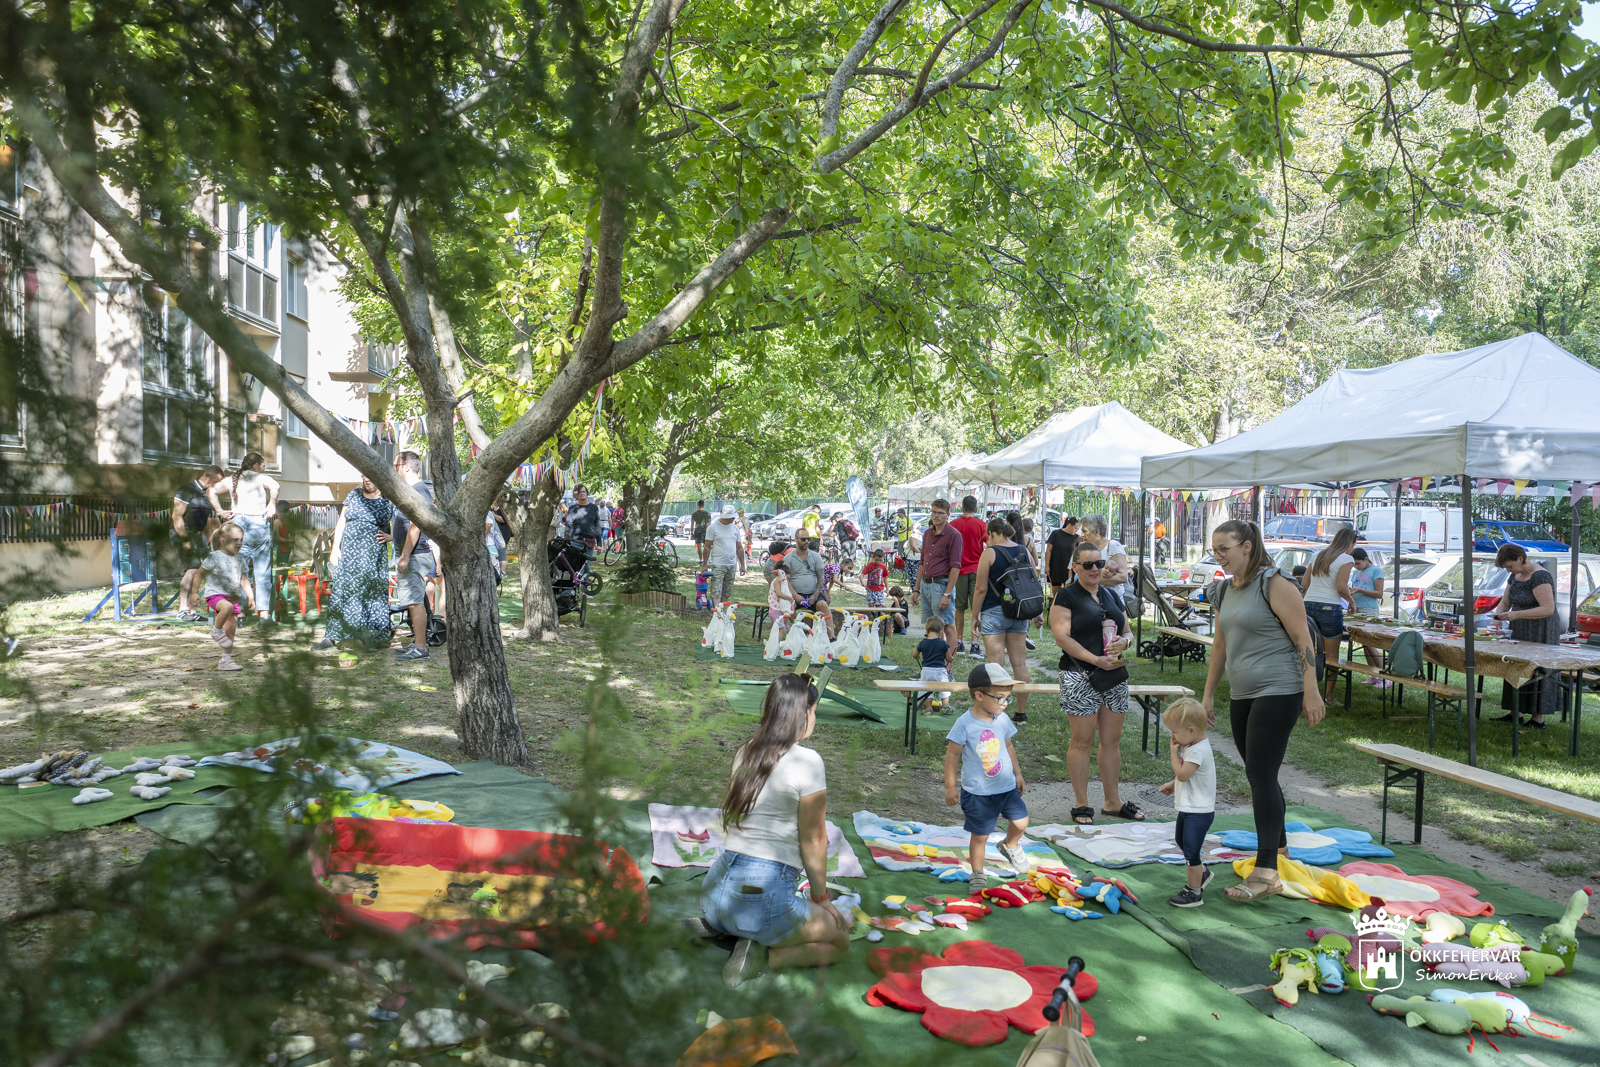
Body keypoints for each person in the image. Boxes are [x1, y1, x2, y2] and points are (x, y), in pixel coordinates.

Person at [1201, 519, 1325, 903]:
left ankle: (1267, 870)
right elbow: (1220, 647)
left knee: (1259, 773)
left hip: (1280, 688)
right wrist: (1208, 694)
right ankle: (1281, 847)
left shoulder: (1275, 584)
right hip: (1243, 692)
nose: (1219, 555)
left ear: (1247, 547)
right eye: (1215, 549)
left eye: (1225, 549)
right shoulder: (1224, 590)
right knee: (1260, 774)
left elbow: (1304, 640)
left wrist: (1311, 691)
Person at [701, 674, 850, 988]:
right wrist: (822, 898)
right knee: (839, 941)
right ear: (801, 714)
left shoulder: (746, 750)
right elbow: (813, 839)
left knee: (758, 910)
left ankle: (725, 929)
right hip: (762, 898)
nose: (815, 718)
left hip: (715, 892)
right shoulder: (808, 762)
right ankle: (763, 955)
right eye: (813, 710)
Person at [1051, 540, 1139, 825]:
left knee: (1112, 741)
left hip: (1113, 673)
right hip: (1080, 675)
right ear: (1075, 566)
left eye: (1099, 563)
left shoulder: (1111, 595)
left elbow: (1127, 631)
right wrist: (1094, 658)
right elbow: (1062, 637)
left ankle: (1112, 802)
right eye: (1087, 564)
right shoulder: (1065, 596)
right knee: (1082, 740)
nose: (1094, 569)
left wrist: (1123, 643)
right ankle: (1081, 803)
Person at [943, 662, 1030, 897]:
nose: (1005, 704)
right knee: (980, 835)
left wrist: (1018, 774)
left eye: (1008, 698)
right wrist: (951, 786)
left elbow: (1009, 746)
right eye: (1000, 698)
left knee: (1021, 822)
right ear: (979, 695)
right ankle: (978, 872)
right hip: (979, 792)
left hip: (1006, 788)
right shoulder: (964, 723)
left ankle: (1009, 845)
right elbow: (952, 755)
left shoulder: (1002, 719)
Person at [312, 475, 398, 652]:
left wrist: (393, 537)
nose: (368, 480)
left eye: (371, 476)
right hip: (350, 554)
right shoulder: (354, 494)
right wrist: (335, 548)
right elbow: (341, 521)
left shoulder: (388, 498)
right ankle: (331, 637)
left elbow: (403, 522)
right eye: (365, 476)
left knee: (372, 592)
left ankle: (372, 638)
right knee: (341, 591)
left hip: (373, 555)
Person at [971, 518, 1036, 725]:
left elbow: (980, 589)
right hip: (1018, 611)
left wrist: (974, 616)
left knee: (996, 665)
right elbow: (1033, 578)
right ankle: (1021, 712)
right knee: (1019, 663)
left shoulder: (989, 553)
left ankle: (996, 711)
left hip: (993, 612)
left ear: (991, 533)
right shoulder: (1022, 550)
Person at [1492, 543, 1559, 728]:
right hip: (1519, 627)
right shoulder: (1515, 576)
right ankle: (1516, 712)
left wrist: (1517, 614)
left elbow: (1548, 609)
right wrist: (1497, 618)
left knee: (1539, 670)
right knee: (1515, 666)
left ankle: (1538, 719)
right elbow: (1506, 602)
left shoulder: (1540, 576)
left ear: (1521, 559)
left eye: (1510, 566)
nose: (1509, 570)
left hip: (1541, 629)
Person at [1157, 698, 1216, 907]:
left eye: (1174, 732)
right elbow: (1190, 776)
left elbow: (1183, 774)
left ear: (1191, 730)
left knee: (1191, 852)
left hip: (1198, 811)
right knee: (1182, 842)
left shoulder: (1197, 750)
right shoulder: (1192, 744)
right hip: (1189, 807)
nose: (1172, 737)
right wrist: (1174, 784)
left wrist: (1173, 754)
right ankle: (1203, 873)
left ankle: (1194, 892)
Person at [211, 452, 279, 623]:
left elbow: (211, 490)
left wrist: (220, 511)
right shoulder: (260, 477)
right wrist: (272, 504)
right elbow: (275, 486)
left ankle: (239, 614)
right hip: (257, 523)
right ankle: (264, 615)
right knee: (262, 572)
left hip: (237, 525)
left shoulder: (232, 479)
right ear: (256, 465)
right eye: (263, 465)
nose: (264, 469)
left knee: (238, 572)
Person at [1298, 527, 1357, 708]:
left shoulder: (1318, 555)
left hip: (1308, 605)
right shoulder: (1347, 558)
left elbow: (1304, 583)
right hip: (1330, 606)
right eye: (1354, 544)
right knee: (1332, 655)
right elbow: (1340, 587)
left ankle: (1305, 692)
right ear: (1350, 543)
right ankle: (1329, 698)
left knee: (1308, 650)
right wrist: (1352, 602)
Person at [389, 451, 437, 659]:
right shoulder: (415, 490)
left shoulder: (418, 491)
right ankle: (417, 642)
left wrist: (405, 555)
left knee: (416, 601)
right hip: (412, 554)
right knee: (412, 600)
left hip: (415, 555)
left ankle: (421, 648)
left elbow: (415, 527)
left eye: (396, 465)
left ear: (407, 466)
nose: (394, 468)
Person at [171, 465, 225, 621]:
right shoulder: (186, 489)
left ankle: (191, 610)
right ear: (207, 476)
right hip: (183, 534)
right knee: (192, 569)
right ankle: (182, 610)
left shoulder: (206, 493)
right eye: (216, 481)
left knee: (199, 571)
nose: (217, 485)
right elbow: (177, 517)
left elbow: (207, 521)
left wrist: (209, 540)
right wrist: (185, 539)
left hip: (197, 536)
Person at [198, 522, 251, 671]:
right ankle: (216, 631)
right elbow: (199, 574)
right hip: (215, 595)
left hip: (232, 596)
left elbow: (243, 579)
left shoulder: (240, 559)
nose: (239, 543)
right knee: (226, 607)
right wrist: (195, 592)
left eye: (241, 540)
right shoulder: (213, 557)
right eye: (235, 540)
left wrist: (250, 595)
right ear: (222, 540)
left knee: (231, 630)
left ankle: (225, 661)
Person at [918, 499, 963, 670]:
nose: (936, 516)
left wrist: (947, 593)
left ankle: (947, 669)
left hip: (941, 585)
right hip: (926, 584)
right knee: (931, 627)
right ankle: (932, 666)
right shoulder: (927, 533)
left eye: (940, 513)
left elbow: (955, 567)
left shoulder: (954, 535)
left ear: (948, 515)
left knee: (948, 627)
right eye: (934, 512)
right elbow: (922, 563)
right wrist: (916, 589)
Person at [949, 495, 989, 656]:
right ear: (976, 508)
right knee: (976, 608)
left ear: (962, 508)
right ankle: (974, 643)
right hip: (977, 569)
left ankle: (959, 642)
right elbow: (989, 544)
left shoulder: (953, 525)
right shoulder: (981, 525)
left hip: (958, 570)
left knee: (959, 608)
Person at [1348, 547, 1388, 684]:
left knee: (1370, 643)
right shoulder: (1355, 572)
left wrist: (1360, 590)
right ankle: (1374, 674)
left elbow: (1379, 594)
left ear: (1366, 559)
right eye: (1354, 564)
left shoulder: (1376, 570)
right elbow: (1353, 590)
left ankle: (1385, 676)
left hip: (1369, 609)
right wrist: (1350, 602)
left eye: (1358, 563)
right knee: (1364, 643)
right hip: (1356, 608)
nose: (1356, 566)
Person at [782, 538, 832, 637]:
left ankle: (832, 637)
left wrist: (815, 595)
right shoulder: (788, 558)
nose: (806, 541)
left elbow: (820, 578)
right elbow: (785, 579)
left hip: (812, 593)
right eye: (803, 539)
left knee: (824, 605)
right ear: (796, 540)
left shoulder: (816, 556)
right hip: (794, 594)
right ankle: (803, 631)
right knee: (788, 608)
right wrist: (795, 595)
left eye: (808, 539)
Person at [1078, 514, 1129, 610]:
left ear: (1097, 532)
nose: (1082, 535)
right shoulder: (1087, 549)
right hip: (1091, 604)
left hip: (1112, 604)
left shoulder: (1113, 546)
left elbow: (1123, 576)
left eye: (1084, 531)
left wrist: (1088, 579)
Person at [706, 504, 745, 604]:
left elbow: (739, 548)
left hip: (731, 564)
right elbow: (707, 546)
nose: (732, 519)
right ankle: (717, 613)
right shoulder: (713, 527)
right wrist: (704, 564)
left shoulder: (735, 528)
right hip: (718, 563)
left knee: (727, 590)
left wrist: (742, 565)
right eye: (730, 517)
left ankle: (722, 611)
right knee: (716, 589)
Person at [915, 617, 951, 711]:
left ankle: (928, 709)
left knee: (926, 689)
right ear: (941, 631)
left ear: (926, 630)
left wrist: (917, 657)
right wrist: (950, 659)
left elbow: (914, 654)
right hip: (940, 670)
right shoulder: (943, 643)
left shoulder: (923, 643)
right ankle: (944, 707)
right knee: (944, 689)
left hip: (926, 670)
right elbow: (948, 658)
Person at [1044, 516, 1078, 597]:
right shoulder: (1056, 533)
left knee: (1069, 592)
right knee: (1056, 593)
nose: (1076, 530)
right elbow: (1048, 550)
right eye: (1075, 528)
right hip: (1056, 567)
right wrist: (1047, 565)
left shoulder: (1076, 537)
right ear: (1069, 525)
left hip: (1069, 569)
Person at [567, 485, 602, 550]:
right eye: (580, 492)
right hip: (575, 541)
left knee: (587, 560)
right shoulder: (572, 508)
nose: (582, 493)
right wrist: (566, 541)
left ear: (587, 493)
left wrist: (599, 544)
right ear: (576, 495)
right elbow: (568, 526)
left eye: (584, 491)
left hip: (589, 541)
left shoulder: (594, 508)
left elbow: (597, 526)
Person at [767, 562, 795, 631]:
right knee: (781, 629)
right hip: (775, 609)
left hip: (779, 609)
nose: (787, 579)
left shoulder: (781, 582)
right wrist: (789, 598)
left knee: (781, 629)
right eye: (787, 577)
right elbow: (778, 593)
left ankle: (778, 641)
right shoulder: (777, 581)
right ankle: (776, 641)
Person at [903, 523, 922, 605]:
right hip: (918, 558)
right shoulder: (922, 536)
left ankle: (915, 591)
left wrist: (919, 552)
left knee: (912, 575)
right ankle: (917, 590)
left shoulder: (913, 536)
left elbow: (913, 546)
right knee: (917, 574)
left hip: (912, 558)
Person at [691, 500, 713, 565]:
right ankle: (707, 560)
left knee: (699, 546)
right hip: (705, 531)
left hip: (697, 530)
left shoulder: (694, 514)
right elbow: (709, 523)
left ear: (698, 505)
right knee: (706, 546)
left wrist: (691, 532)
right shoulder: (707, 514)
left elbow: (692, 523)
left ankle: (701, 559)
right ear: (703, 505)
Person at [735, 508, 750, 574]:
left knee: (739, 552)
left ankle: (738, 567)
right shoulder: (746, 519)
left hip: (740, 537)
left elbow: (736, 529)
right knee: (743, 552)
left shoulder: (737, 520)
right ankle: (743, 566)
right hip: (745, 536)